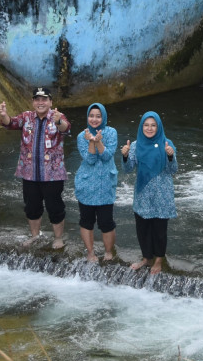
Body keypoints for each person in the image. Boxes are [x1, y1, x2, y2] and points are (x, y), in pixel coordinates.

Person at [0, 87, 71, 248]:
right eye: (37, 99)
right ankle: (35, 236)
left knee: (55, 207)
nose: (40, 102)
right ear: (33, 102)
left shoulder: (57, 117)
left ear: (50, 102)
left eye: (44, 99)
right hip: (29, 173)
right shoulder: (26, 117)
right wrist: (4, 116)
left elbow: (66, 128)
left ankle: (58, 238)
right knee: (31, 207)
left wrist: (59, 121)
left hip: (52, 174)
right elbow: (11, 124)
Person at [121, 111, 177, 275]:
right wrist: (125, 156)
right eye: (146, 125)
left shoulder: (167, 143)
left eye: (153, 125)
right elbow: (128, 169)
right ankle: (146, 258)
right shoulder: (136, 145)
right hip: (143, 193)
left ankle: (159, 259)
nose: (150, 128)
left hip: (162, 193)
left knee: (159, 230)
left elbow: (173, 170)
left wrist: (171, 156)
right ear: (141, 126)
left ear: (158, 127)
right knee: (143, 228)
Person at [75, 102, 118, 262]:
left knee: (106, 221)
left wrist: (98, 141)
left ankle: (108, 251)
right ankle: (90, 252)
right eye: (91, 116)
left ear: (104, 117)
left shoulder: (112, 132)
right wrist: (91, 141)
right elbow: (90, 159)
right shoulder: (82, 136)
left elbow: (107, 156)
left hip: (105, 183)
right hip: (86, 183)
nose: (94, 119)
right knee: (86, 221)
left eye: (98, 116)